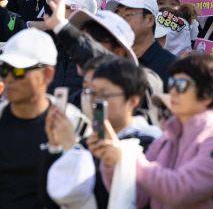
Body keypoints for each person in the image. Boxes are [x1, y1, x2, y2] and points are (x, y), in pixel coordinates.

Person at [92, 53, 213, 209]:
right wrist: (111, 162)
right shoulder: (167, 138)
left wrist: (127, 158)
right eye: (172, 83)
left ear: (209, 94)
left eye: (182, 85)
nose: (173, 91)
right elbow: (137, 197)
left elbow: (179, 191)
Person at [0, 28, 86, 209]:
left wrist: (71, 147)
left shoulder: (75, 124)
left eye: (18, 71)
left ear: (47, 74)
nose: (9, 78)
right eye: (3, 70)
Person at [43, 58, 163, 209]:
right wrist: (55, 147)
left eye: (104, 95)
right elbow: (49, 200)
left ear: (132, 101)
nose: (94, 101)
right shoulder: (87, 143)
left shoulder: (149, 144)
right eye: (91, 93)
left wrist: (73, 149)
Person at [106, 0, 177, 86]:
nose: (120, 21)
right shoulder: (113, 63)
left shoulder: (171, 67)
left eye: (128, 15)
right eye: (118, 16)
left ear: (150, 20)